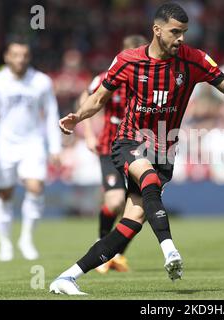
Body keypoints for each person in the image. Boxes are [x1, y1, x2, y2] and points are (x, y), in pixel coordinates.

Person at [50, 2, 224, 295]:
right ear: (157, 30)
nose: (181, 38)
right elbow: (98, 98)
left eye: (184, 32)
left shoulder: (193, 60)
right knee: (149, 179)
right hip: (129, 141)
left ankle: (67, 277)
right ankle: (169, 250)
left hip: (164, 150)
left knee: (130, 224)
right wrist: (77, 117)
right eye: (175, 32)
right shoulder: (128, 61)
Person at [0, 39, 62, 261]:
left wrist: (54, 147)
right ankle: (5, 243)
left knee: (35, 187)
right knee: (4, 193)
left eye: (24, 55)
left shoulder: (41, 81)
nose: (20, 59)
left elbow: (52, 113)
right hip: (4, 144)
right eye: (15, 55)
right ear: (7, 56)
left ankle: (26, 239)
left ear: (29, 57)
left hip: (32, 143)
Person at [77, 34, 148, 274]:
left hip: (139, 150)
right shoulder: (108, 77)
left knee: (140, 207)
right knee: (116, 201)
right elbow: (86, 98)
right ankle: (101, 243)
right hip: (110, 147)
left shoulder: (149, 80)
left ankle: (115, 255)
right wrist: (87, 132)